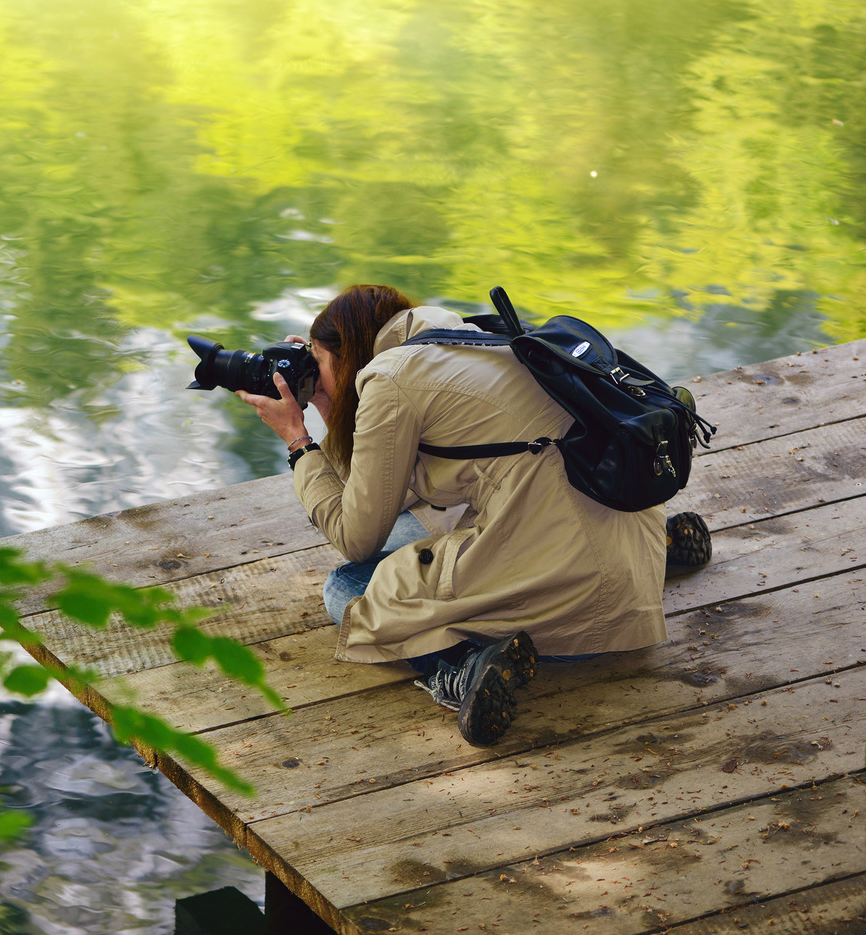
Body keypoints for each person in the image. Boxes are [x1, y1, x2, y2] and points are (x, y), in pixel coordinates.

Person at [236, 285, 708, 746]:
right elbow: (378, 496)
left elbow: (354, 536)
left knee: (348, 587)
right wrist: (326, 400)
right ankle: (656, 549)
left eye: (316, 361)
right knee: (415, 526)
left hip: (579, 586)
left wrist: (299, 440)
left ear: (347, 353)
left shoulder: (389, 380)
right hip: (619, 522)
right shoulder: (466, 336)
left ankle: (461, 667)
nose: (311, 374)